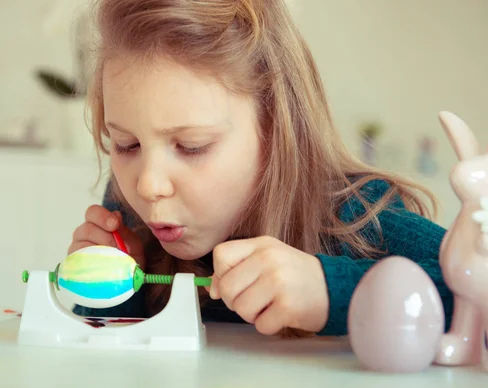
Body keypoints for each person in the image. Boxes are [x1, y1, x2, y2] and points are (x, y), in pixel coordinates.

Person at [67, 0, 453, 337]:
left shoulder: (356, 214)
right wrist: (112, 290)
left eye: (191, 146)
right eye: (126, 144)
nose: (149, 185)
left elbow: (475, 290)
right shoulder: (129, 213)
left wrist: (332, 291)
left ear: (275, 129)